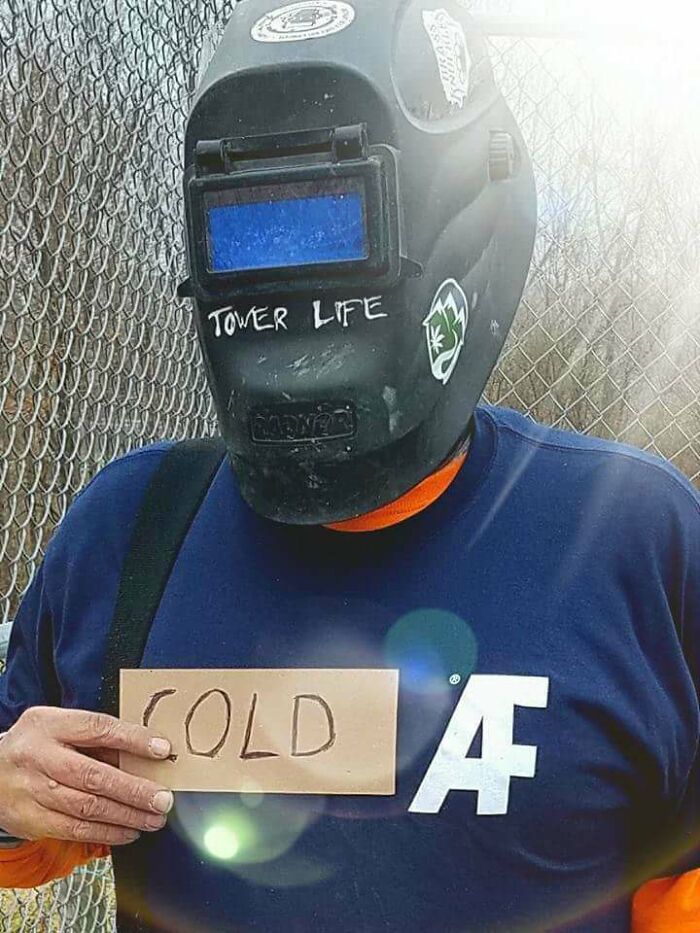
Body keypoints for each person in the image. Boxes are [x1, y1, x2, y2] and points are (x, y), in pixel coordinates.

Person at [0, 1, 698, 930]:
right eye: (251, 235)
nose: (298, 301)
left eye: (333, 221)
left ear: (461, 220)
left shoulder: (635, 537)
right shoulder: (129, 526)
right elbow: (27, 831)